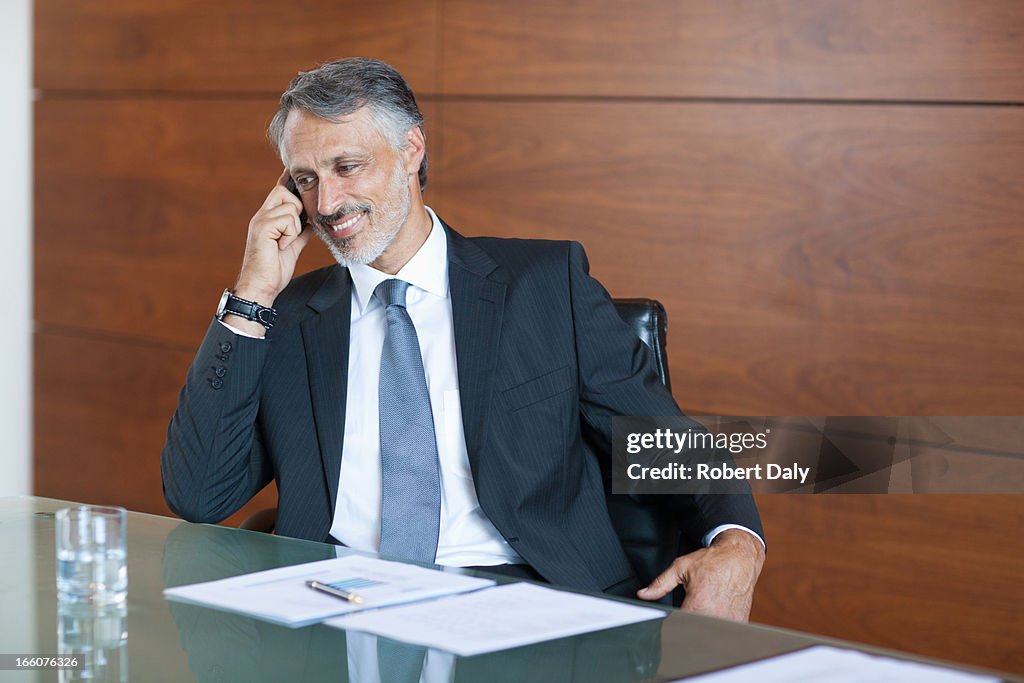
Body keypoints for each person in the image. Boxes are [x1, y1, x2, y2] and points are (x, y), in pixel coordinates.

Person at [161, 57, 765, 621]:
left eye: (347, 167)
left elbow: (662, 443)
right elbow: (201, 496)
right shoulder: (286, 316)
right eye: (305, 178)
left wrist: (737, 542)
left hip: (526, 600)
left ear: (411, 149)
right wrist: (250, 297)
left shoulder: (544, 287)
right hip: (337, 605)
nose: (327, 203)